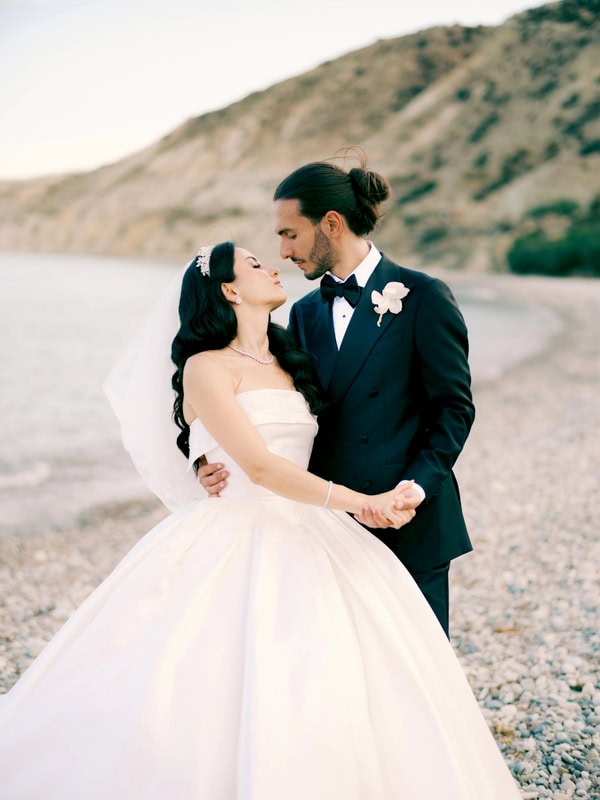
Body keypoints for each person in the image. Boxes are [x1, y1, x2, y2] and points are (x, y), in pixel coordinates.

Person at [0, 242, 521, 798]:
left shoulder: (290, 354)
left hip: (315, 529)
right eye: (253, 264)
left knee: (344, 671)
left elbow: (331, 427)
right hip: (244, 529)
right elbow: (257, 464)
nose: (274, 265)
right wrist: (350, 500)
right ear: (228, 290)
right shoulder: (204, 366)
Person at [199, 155, 475, 636]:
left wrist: (417, 487)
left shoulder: (423, 295)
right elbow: (256, 391)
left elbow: (454, 408)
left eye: (290, 234)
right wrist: (205, 456)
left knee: (418, 676)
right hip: (328, 526)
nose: (283, 252)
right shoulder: (305, 313)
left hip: (408, 520)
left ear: (330, 223)